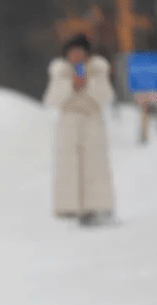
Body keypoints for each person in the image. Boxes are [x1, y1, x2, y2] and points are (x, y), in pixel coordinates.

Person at [42, 34, 115, 226]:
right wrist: (70, 85)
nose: (76, 57)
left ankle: (97, 206)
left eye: (79, 53)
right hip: (69, 123)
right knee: (68, 167)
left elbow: (105, 96)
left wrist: (87, 84)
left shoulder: (98, 71)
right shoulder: (60, 73)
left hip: (91, 121)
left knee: (94, 166)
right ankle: (68, 207)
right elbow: (52, 100)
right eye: (72, 53)